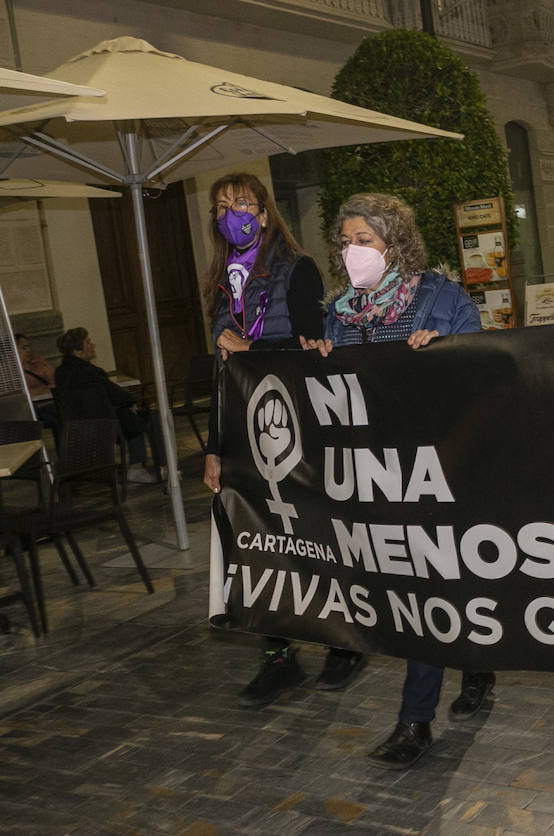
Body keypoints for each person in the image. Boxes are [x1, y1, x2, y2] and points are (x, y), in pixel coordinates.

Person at [303, 192, 485, 770]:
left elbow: (488, 375)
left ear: (395, 244)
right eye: (346, 242)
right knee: (413, 593)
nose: (352, 252)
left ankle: (428, 707)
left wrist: (448, 353)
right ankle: (444, 692)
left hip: (441, 469)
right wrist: (320, 358)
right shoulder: (337, 314)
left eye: (365, 241)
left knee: (438, 589)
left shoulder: (442, 298)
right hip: (375, 477)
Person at [197, 173, 370, 708]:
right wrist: (213, 445)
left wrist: (251, 346)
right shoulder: (221, 285)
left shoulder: (298, 270)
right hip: (244, 430)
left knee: (317, 535)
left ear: (266, 213)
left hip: (300, 426)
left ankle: (345, 641)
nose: (233, 214)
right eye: (223, 207)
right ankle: (278, 657)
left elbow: (312, 347)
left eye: (243, 204)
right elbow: (223, 374)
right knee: (259, 543)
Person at [53, 328, 163, 485]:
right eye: (88, 343)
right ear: (78, 352)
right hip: (105, 426)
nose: (93, 345)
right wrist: (131, 402)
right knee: (147, 417)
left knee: (131, 417)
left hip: (76, 428)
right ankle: (147, 466)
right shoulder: (91, 372)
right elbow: (115, 393)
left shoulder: (60, 374)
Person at [15, 333, 56, 429]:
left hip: (50, 402)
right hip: (33, 408)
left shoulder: (38, 361)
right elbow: (18, 394)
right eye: (24, 348)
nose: (28, 350)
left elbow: (53, 380)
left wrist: (41, 365)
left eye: (28, 347)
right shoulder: (10, 371)